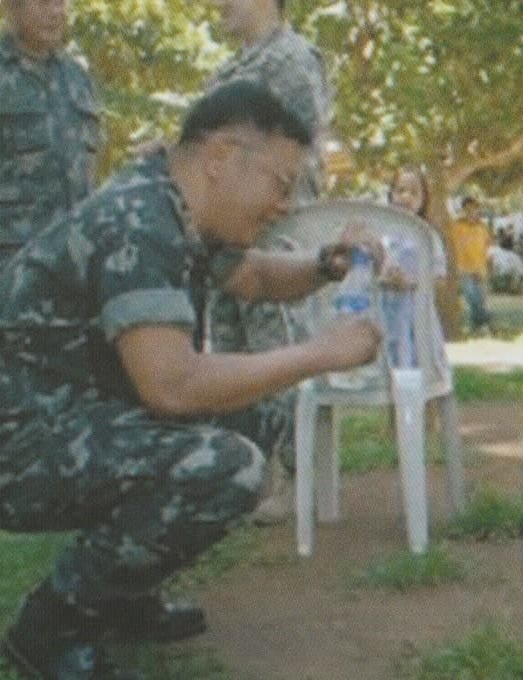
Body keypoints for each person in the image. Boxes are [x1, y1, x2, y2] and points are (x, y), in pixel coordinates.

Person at [0, 81, 381, 680]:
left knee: (257, 419)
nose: (283, 204)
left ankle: (120, 597)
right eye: (280, 183)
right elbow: (171, 385)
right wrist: (319, 353)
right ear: (221, 155)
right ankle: (49, 627)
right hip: (9, 446)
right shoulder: (139, 222)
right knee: (227, 467)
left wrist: (325, 265)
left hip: (71, 416)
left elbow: (251, 276)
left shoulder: (177, 206)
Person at [206, 0, 334, 525]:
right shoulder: (230, 69)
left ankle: (294, 479)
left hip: (275, 235)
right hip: (227, 238)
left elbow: (294, 149)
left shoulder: (292, 60)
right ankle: (248, 480)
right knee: (234, 360)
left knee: (277, 354)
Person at [0, 0, 102, 335]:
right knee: (2, 370)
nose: (55, 12)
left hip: (72, 258)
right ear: (9, 8)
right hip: (6, 257)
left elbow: (87, 163)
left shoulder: (77, 79)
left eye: (61, 2)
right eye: (42, 3)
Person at [386, 165, 453, 390]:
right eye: (400, 190)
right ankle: (395, 424)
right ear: (391, 194)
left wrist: (413, 282)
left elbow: (439, 277)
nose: (405, 197)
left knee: (424, 376)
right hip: (389, 316)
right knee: (393, 378)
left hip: (419, 318)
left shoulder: (427, 236)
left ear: (424, 200)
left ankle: (427, 421)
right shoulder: (383, 234)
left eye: (414, 192)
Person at [448, 195, 492, 333]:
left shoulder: (483, 228)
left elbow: (488, 248)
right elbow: (452, 246)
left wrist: (487, 266)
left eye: (474, 209)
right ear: (464, 210)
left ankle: (477, 325)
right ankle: (484, 319)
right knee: (470, 295)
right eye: (468, 209)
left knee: (480, 297)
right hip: (464, 268)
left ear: (477, 210)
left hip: (480, 268)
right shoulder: (457, 226)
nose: (471, 212)